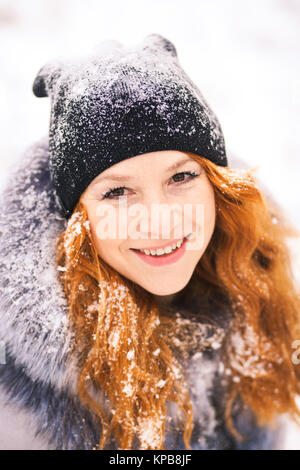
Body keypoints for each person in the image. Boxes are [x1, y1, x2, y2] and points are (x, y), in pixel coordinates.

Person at [0, 33, 300, 451]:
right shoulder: (15, 406)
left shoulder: (250, 288)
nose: (159, 220)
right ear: (77, 219)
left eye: (181, 177)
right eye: (117, 193)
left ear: (216, 186)